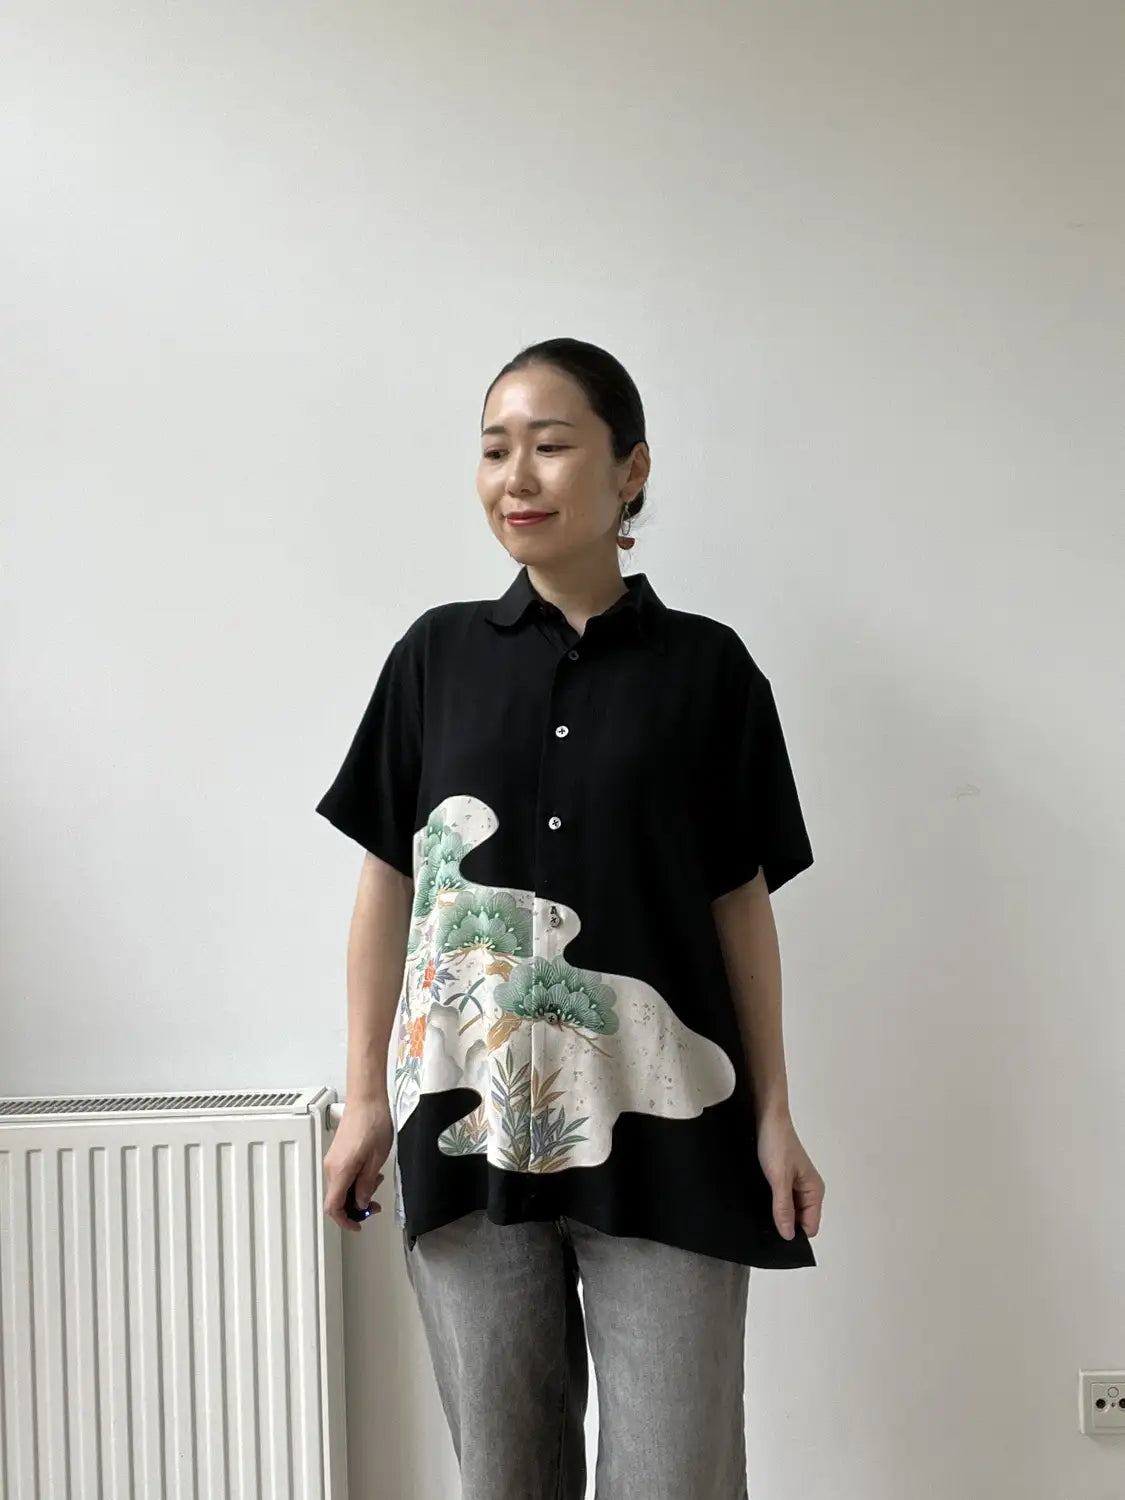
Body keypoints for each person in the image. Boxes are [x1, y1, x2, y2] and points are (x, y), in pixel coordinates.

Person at [316, 337, 826, 1500]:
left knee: (676, 1477)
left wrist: (775, 1114)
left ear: (631, 469)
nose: (517, 477)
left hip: (672, 1145)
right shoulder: (435, 658)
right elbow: (389, 883)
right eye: (495, 449)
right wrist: (365, 1100)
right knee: (506, 1478)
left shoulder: (711, 674)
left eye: (550, 446)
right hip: (470, 1130)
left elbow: (738, 902)